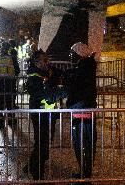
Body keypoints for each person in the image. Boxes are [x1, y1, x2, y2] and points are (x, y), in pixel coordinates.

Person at [24, 49, 67, 180]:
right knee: (41, 143)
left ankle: (31, 166)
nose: (47, 62)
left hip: (49, 114)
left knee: (45, 142)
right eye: (44, 60)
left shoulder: (45, 72)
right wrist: (64, 91)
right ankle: (37, 174)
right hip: (40, 114)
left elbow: (62, 73)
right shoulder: (34, 78)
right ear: (37, 62)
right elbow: (47, 96)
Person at [65, 42, 97, 181]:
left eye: (72, 54)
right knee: (87, 143)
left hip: (80, 109)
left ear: (79, 55)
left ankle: (85, 174)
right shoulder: (87, 68)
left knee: (81, 142)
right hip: (86, 108)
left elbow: (75, 87)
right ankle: (85, 172)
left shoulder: (82, 70)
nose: (70, 56)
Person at [0, 41, 20, 129]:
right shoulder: (12, 58)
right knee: (10, 102)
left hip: (0, 83)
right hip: (10, 83)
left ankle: (0, 122)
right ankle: (11, 121)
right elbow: (17, 70)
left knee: (0, 103)